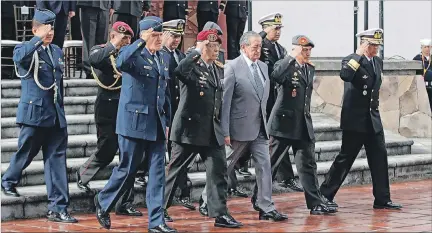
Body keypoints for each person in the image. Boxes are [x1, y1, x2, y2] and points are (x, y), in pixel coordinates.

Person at [94, 16, 177, 233]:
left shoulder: (162, 58)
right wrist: (140, 40)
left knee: (158, 174)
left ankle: (157, 222)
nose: (159, 39)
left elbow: (164, 93)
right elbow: (121, 63)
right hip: (134, 122)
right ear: (145, 34)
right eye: (155, 35)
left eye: (160, 35)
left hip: (157, 123)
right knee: (127, 169)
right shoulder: (131, 54)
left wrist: (167, 120)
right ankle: (103, 201)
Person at [1, 8, 77, 223]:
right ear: (35, 29)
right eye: (46, 28)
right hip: (34, 114)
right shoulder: (26, 49)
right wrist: (38, 39)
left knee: (57, 162)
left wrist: (60, 112)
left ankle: (58, 208)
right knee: (25, 152)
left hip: (54, 115)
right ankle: (8, 180)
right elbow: (19, 57)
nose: (50, 32)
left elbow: (58, 85)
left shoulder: (56, 51)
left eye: (52, 28)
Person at [163, 29, 243, 229]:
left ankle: (220, 213)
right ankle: (159, 208)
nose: (216, 50)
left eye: (217, 46)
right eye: (210, 46)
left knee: (218, 172)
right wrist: (197, 51)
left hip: (210, 130)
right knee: (174, 171)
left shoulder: (216, 68)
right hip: (189, 129)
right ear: (201, 46)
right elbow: (179, 72)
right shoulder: (192, 65)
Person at [320, 28, 402, 211]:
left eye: (377, 45)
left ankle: (382, 199)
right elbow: (346, 75)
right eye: (372, 45)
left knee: (379, 158)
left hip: (372, 118)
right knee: (345, 158)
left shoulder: (378, 62)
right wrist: (358, 55)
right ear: (364, 44)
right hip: (355, 120)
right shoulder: (352, 59)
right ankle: (324, 194)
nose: (376, 49)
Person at [218, 30, 288, 221]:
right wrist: (224, 130)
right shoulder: (232, 67)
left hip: (260, 128)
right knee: (224, 166)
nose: (258, 50)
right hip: (238, 128)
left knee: (265, 166)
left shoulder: (264, 67)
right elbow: (225, 102)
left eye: (260, 46)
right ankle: (210, 200)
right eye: (254, 46)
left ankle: (266, 206)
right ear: (243, 47)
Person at [76, 21, 142, 217]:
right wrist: (114, 46)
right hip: (107, 108)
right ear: (113, 36)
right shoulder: (102, 50)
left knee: (128, 156)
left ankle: (125, 201)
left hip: (127, 109)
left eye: (129, 39)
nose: (126, 42)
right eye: (123, 38)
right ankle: (83, 175)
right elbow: (93, 60)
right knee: (107, 148)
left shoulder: (131, 55)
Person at [266, 35, 337, 215]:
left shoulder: (309, 68)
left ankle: (315, 202)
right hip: (283, 123)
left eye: (309, 50)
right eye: (303, 50)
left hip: (302, 123)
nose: (307, 53)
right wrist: (291, 57)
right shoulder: (285, 64)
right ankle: (259, 197)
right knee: (271, 164)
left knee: (308, 165)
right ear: (295, 48)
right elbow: (276, 76)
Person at [258, 13, 302, 192]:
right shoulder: (261, 46)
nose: (277, 32)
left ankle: (286, 177)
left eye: (279, 29)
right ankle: (238, 169)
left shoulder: (280, 49)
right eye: (274, 28)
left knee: (278, 137)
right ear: (265, 28)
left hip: (277, 97)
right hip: (264, 97)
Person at [77, 0, 110, 79]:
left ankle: (100, 69)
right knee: (89, 40)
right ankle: (89, 70)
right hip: (88, 5)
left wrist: (112, 5)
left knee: (102, 40)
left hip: (104, 6)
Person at [413, 39, 432, 111]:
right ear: (421, 48)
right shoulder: (417, 59)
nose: (427, 49)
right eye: (425, 47)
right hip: (422, 87)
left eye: (428, 47)